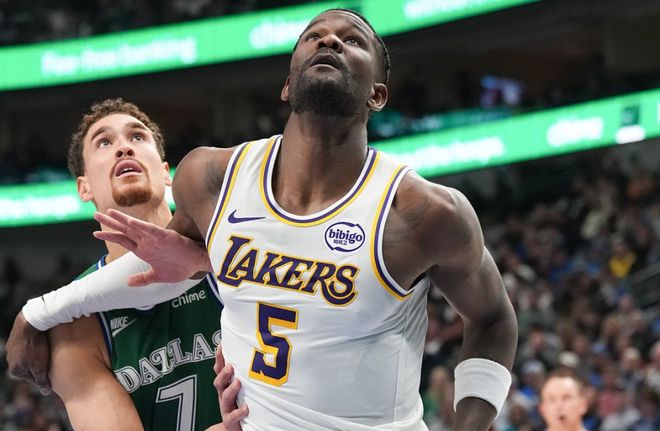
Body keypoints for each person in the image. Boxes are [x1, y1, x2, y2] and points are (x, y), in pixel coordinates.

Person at [12, 9, 517, 430]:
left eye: (352, 40)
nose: (330, 41)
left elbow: (494, 319)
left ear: (377, 95)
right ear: (287, 86)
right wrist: (38, 312)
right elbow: (165, 265)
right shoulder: (211, 178)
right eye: (314, 36)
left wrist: (469, 425)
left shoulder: (425, 213)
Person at [7, 98, 246, 430]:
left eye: (137, 137)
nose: (124, 148)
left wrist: (37, 311)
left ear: (165, 172)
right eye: (104, 142)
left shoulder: (229, 249)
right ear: (84, 187)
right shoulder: (76, 326)